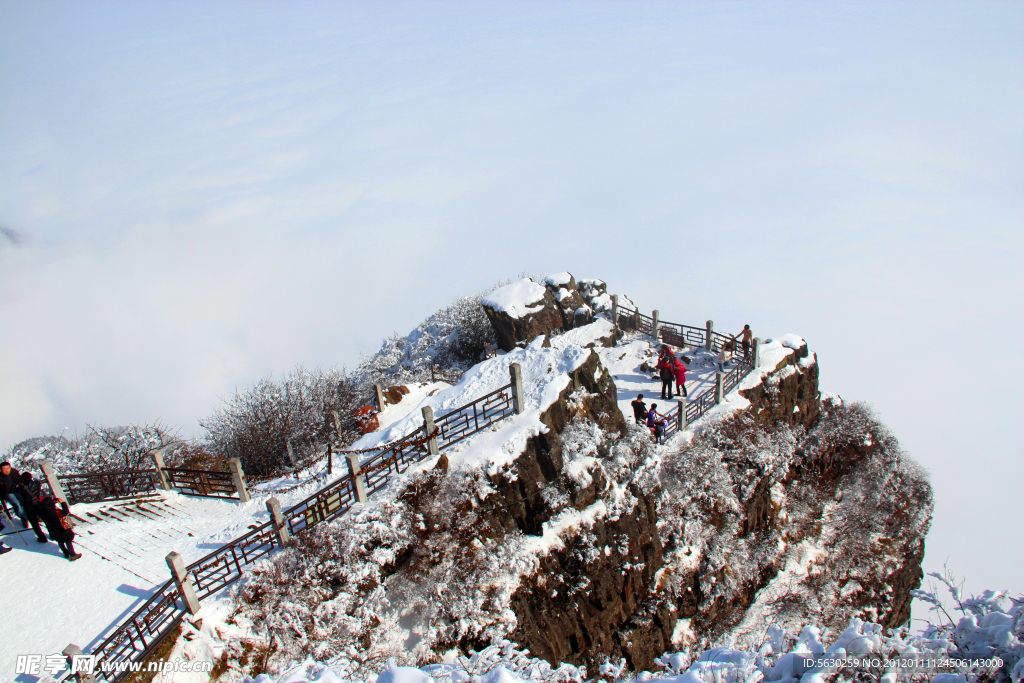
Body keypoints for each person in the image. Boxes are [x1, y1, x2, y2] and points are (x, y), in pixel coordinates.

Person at [36, 495, 81, 560]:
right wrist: (62, 503)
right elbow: (66, 511)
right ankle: (73, 555)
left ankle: (66, 553)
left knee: (60, 542)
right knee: (68, 542)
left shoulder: (43, 514)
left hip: (53, 531)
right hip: (63, 530)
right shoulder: (57, 512)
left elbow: (38, 509)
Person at [17, 472, 48, 543]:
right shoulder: (37, 483)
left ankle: (42, 538)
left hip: (29, 508)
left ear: (22, 480)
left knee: (35, 524)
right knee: (46, 520)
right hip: (38, 504)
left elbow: (11, 490)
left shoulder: (21, 488)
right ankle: (52, 535)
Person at [0, 462, 29, 528]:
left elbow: (20, 480)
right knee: (16, 505)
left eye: (8, 468)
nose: (7, 470)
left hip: (17, 489)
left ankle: (34, 516)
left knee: (26, 502)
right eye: (4, 469)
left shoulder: (14, 472)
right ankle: (24, 519)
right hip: (8, 492)